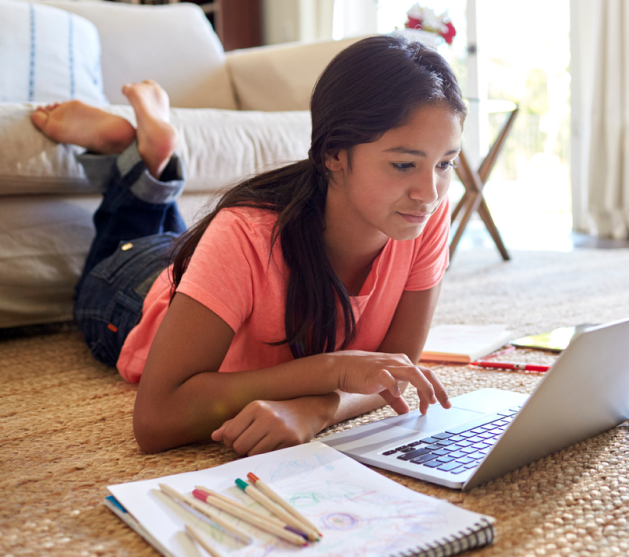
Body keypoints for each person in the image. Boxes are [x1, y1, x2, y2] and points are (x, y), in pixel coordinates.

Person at [31, 35, 466, 456]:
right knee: (129, 243)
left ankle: (145, 154)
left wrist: (317, 407)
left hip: (205, 264)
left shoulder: (423, 214)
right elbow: (156, 418)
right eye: (404, 164)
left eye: (445, 163)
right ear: (334, 153)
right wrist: (332, 369)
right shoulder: (245, 232)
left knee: (173, 235)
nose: (429, 191)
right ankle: (137, 154)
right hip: (131, 292)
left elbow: (397, 368)